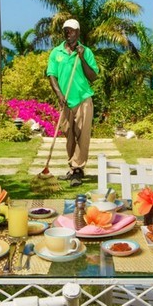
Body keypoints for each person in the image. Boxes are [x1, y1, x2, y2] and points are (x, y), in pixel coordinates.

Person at [47, 19, 99, 187]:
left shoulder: (86, 52)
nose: (69, 33)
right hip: (66, 101)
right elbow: (52, 75)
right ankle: (72, 167)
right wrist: (59, 94)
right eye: (66, 31)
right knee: (68, 134)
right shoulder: (56, 52)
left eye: (72, 31)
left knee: (82, 136)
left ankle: (78, 169)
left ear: (78, 33)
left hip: (83, 98)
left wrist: (82, 58)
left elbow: (93, 76)